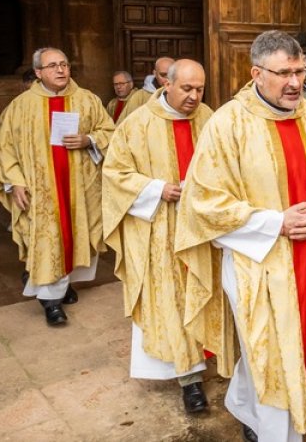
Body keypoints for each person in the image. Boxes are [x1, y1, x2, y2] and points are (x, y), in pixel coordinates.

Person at [175, 30, 306, 442]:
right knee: (267, 349)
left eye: (300, 72)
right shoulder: (227, 124)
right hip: (257, 260)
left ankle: (253, 409)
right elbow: (203, 201)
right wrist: (276, 223)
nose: (295, 83)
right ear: (256, 73)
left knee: (296, 344)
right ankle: (272, 431)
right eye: (284, 73)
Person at [102, 60, 215, 414]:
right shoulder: (137, 124)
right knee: (174, 302)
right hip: (160, 231)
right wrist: (156, 189)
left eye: (200, 89)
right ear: (166, 83)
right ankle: (189, 377)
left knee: (207, 294)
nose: (194, 97)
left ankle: (212, 353)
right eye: (187, 89)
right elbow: (115, 173)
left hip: (204, 229)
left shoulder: (210, 119)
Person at [0, 47, 114, 326]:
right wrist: (15, 182)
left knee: (75, 237)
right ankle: (50, 301)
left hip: (78, 186)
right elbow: (4, 149)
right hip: (39, 190)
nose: (61, 70)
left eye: (64, 64)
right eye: (52, 65)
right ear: (39, 73)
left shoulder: (87, 100)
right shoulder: (20, 106)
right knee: (46, 241)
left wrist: (88, 140)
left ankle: (63, 285)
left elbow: (110, 132)